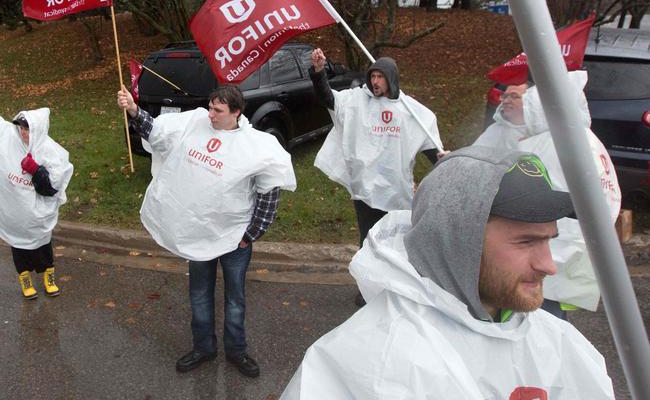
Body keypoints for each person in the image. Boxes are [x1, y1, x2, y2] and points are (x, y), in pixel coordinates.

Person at [280, 146, 615, 399]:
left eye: (548, 241)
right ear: (456, 241)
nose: (549, 265)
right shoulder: (367, 365)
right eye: (526, 241)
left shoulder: (556, 341)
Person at [117, 85, 296, 377]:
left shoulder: (256, 146)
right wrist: (134, 110)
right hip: (198, 232)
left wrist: (250, 235)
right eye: (210, 107)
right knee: (199, 293)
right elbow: (159, 134)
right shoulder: (196, 123)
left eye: (218, 110)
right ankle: (203, 347)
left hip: (234, 239)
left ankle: (237, 351)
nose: (210, 114)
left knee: (235, 298)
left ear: (236, 113)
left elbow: (269, 194)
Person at [474, 71, 621, 315]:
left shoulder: (549, 144)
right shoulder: (586, 139)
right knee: (551, 322)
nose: (506, 101)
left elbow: (524, 195)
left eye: (526, 100)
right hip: (576, 251)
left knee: (534, 318)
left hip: (552, 250)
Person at [309, 48, 444, 305]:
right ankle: (367, 290)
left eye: (381, 77)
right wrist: (318, 73)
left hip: (397, 191)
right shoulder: (357, 102)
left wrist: (441, 159)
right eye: (373, 76)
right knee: (369, 241)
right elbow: (328, 98)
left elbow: (429, 147)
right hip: (366, 190)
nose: (375, 82)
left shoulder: (410, 111)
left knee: (395, 242)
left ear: (392, 79)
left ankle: (394, 290)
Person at [0, 109, 73, 299]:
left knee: (42, 246)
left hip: (37, 215)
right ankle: (25, 279)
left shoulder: (50, 150)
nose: (24, 133)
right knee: (18, 245)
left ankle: (49, 278)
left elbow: (52, 188)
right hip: (15, 212)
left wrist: (37, 171)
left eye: (28, 129)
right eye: (22, 128)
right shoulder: (8, 138)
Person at [473, 82, 528, 149]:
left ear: (530, 100)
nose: (505, 101)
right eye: (504, 96)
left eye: (514, 96)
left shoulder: (540, 130)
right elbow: (473, 155)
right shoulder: (495, 130)